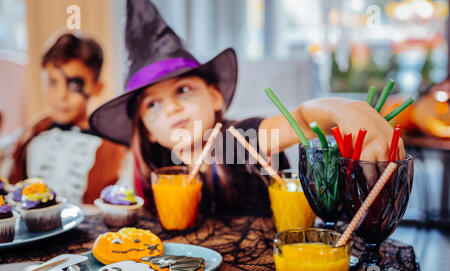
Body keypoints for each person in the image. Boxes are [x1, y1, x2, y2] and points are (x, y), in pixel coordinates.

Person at [90, 0, 404, 216]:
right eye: (153, 105)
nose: (171, 108)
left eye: (183, 90)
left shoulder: (243, 139)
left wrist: (346, 111)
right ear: (146, 129)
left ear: (215, 98)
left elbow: (304, 117)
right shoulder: (153, 165)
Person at [9, 33, 128, 205]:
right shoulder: (34, 132)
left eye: (74, 85)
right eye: (52, 82)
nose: (61, 96)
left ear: (97, 87)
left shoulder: (110, 145)